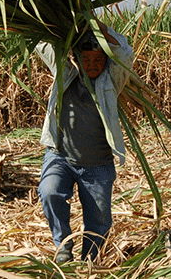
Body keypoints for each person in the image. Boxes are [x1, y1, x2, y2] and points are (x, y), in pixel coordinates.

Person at [35, 21, 134, 263]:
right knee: (49, 192)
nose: (92, 66)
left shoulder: (111, 80)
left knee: (99, 223)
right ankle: (64, 246)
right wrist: (71, 26)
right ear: (76, 58)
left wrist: (97, 26)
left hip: (97, 164)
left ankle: (90, 262)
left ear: (105, 61)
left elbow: (125, 52)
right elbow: (41, 42)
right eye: (86, 60)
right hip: (61, 157)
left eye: (98, 61)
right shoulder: (64, 71)